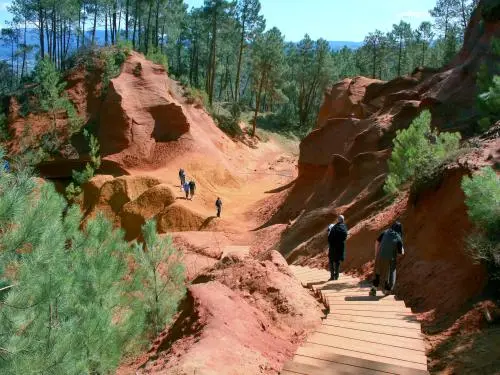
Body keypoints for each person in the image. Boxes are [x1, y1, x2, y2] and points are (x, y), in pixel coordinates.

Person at [370, 221, 404, 296]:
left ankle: (373, 289)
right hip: (389, 259)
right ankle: (387, 290)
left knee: (377, 273)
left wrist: (376, 255)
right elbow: (400, 252)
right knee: (390, 273)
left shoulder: (385, 232)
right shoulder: (398, 237)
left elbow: (377, 242)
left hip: (379, 256)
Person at [327, 215, 349, 281]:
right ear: (343, 220)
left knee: (331, 261)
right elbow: (345, 237)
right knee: (337, 262)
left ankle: (332, 277)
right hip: (340, 247)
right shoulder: (344, 227)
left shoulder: (334, 227)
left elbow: (329, 238)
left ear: (338, 220)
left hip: (333, 247)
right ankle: (336, 276)